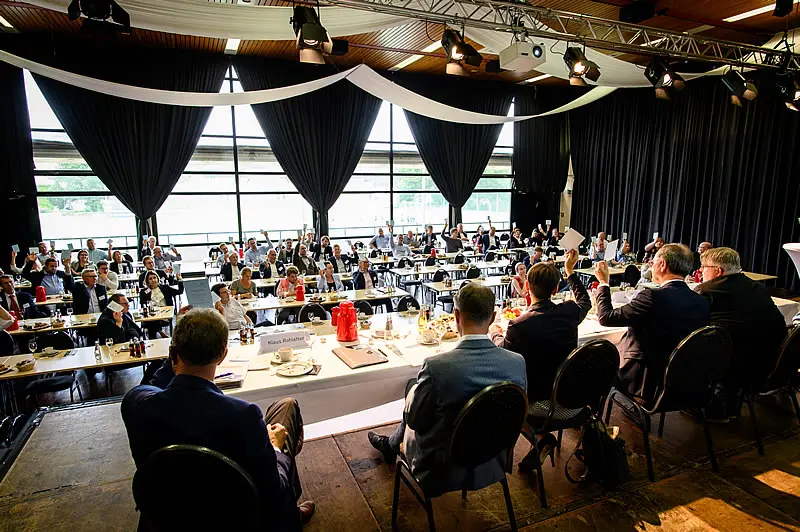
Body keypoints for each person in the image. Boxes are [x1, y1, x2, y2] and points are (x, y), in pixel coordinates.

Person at [121, 308, 314, 530]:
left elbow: (154, 384)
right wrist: (276, 449)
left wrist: (180, 344)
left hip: (165, 511)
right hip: (234, 516)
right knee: (283, 421)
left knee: (285, 406)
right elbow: (271, 491)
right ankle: (291, 514)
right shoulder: (243, 416)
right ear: (223, 355)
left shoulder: (136, 404)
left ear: (174, 354)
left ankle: (292, 509)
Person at [367, 283, 526, 495]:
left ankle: (391, 445)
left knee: (412, 389)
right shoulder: (517, 362)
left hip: (440, 468)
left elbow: (414, 421)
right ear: (492, 317)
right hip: (493, 459)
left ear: (456, 315)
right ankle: (391, 444)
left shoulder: (437, 367)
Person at [490, 250, 590, 467]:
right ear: (555, 289)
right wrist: (570, 273)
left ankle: (540, 439)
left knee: (504, 396)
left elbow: (502, 351)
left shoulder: (519, 325)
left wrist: (495, 332)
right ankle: (543, 440)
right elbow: (585, 302)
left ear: (527, 287)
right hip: (571, 396)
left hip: (537, 402)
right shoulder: (569, 312)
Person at [594, 244, 709, 402]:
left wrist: (603, 283)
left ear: (662, 264)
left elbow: (606, 317)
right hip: (684, 380)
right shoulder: (701, 301)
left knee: (595, 356)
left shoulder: (652, 297)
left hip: (643, 380)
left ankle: (587, 419)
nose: (651, 265)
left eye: (653, 262)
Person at [695, 247, 787, 422]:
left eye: (703, 266)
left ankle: (713, 407)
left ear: (718, 271)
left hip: (732, 367)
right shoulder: (758, 287)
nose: (700, 270)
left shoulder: (708, 291)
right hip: (771, 365)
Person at [140, 270, 184, 338]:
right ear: (147, 281)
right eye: (150, 279)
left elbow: (180, 291)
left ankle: (155, 337)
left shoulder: (165, 288)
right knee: (152, 321)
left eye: (154, 278)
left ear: (157, 278)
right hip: (151, 314)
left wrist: (180, 280)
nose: (153, 280)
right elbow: (142, 305)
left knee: (151, 324)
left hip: (165, 313)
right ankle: (160, 332)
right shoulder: (144, 292)